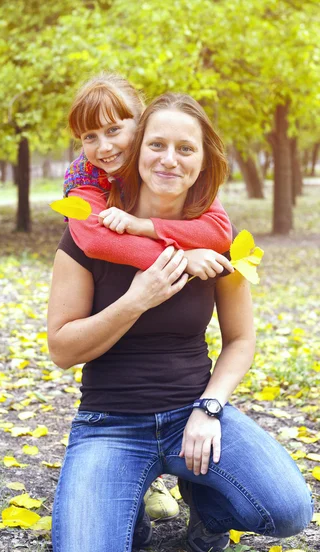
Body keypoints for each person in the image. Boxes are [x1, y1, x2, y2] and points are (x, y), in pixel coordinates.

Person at [48, 93, 313, 552]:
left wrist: (210, 407)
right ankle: (129, 513)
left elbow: (240, 339)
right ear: (138, 151)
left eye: (185, 149)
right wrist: (135, 300)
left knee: (290, 510)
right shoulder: (87, 230)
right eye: (158, 145)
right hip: (111, 424)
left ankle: (204, 502)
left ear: (202, 163)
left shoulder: (218, 240)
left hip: (193, 414)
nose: (170, 159)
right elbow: (62, 349)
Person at [62, 74, 234, 521]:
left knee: (287, 506)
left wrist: (152, 230)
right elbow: (96, 241)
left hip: (187, 404)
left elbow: (219, 233)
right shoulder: (85, 184)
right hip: (113, 410)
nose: (104, 147)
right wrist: (176, 260)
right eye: (89, 136)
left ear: (140, 126)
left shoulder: (190, 190)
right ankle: (127, 496)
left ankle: (198, 498)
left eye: (115, 130)